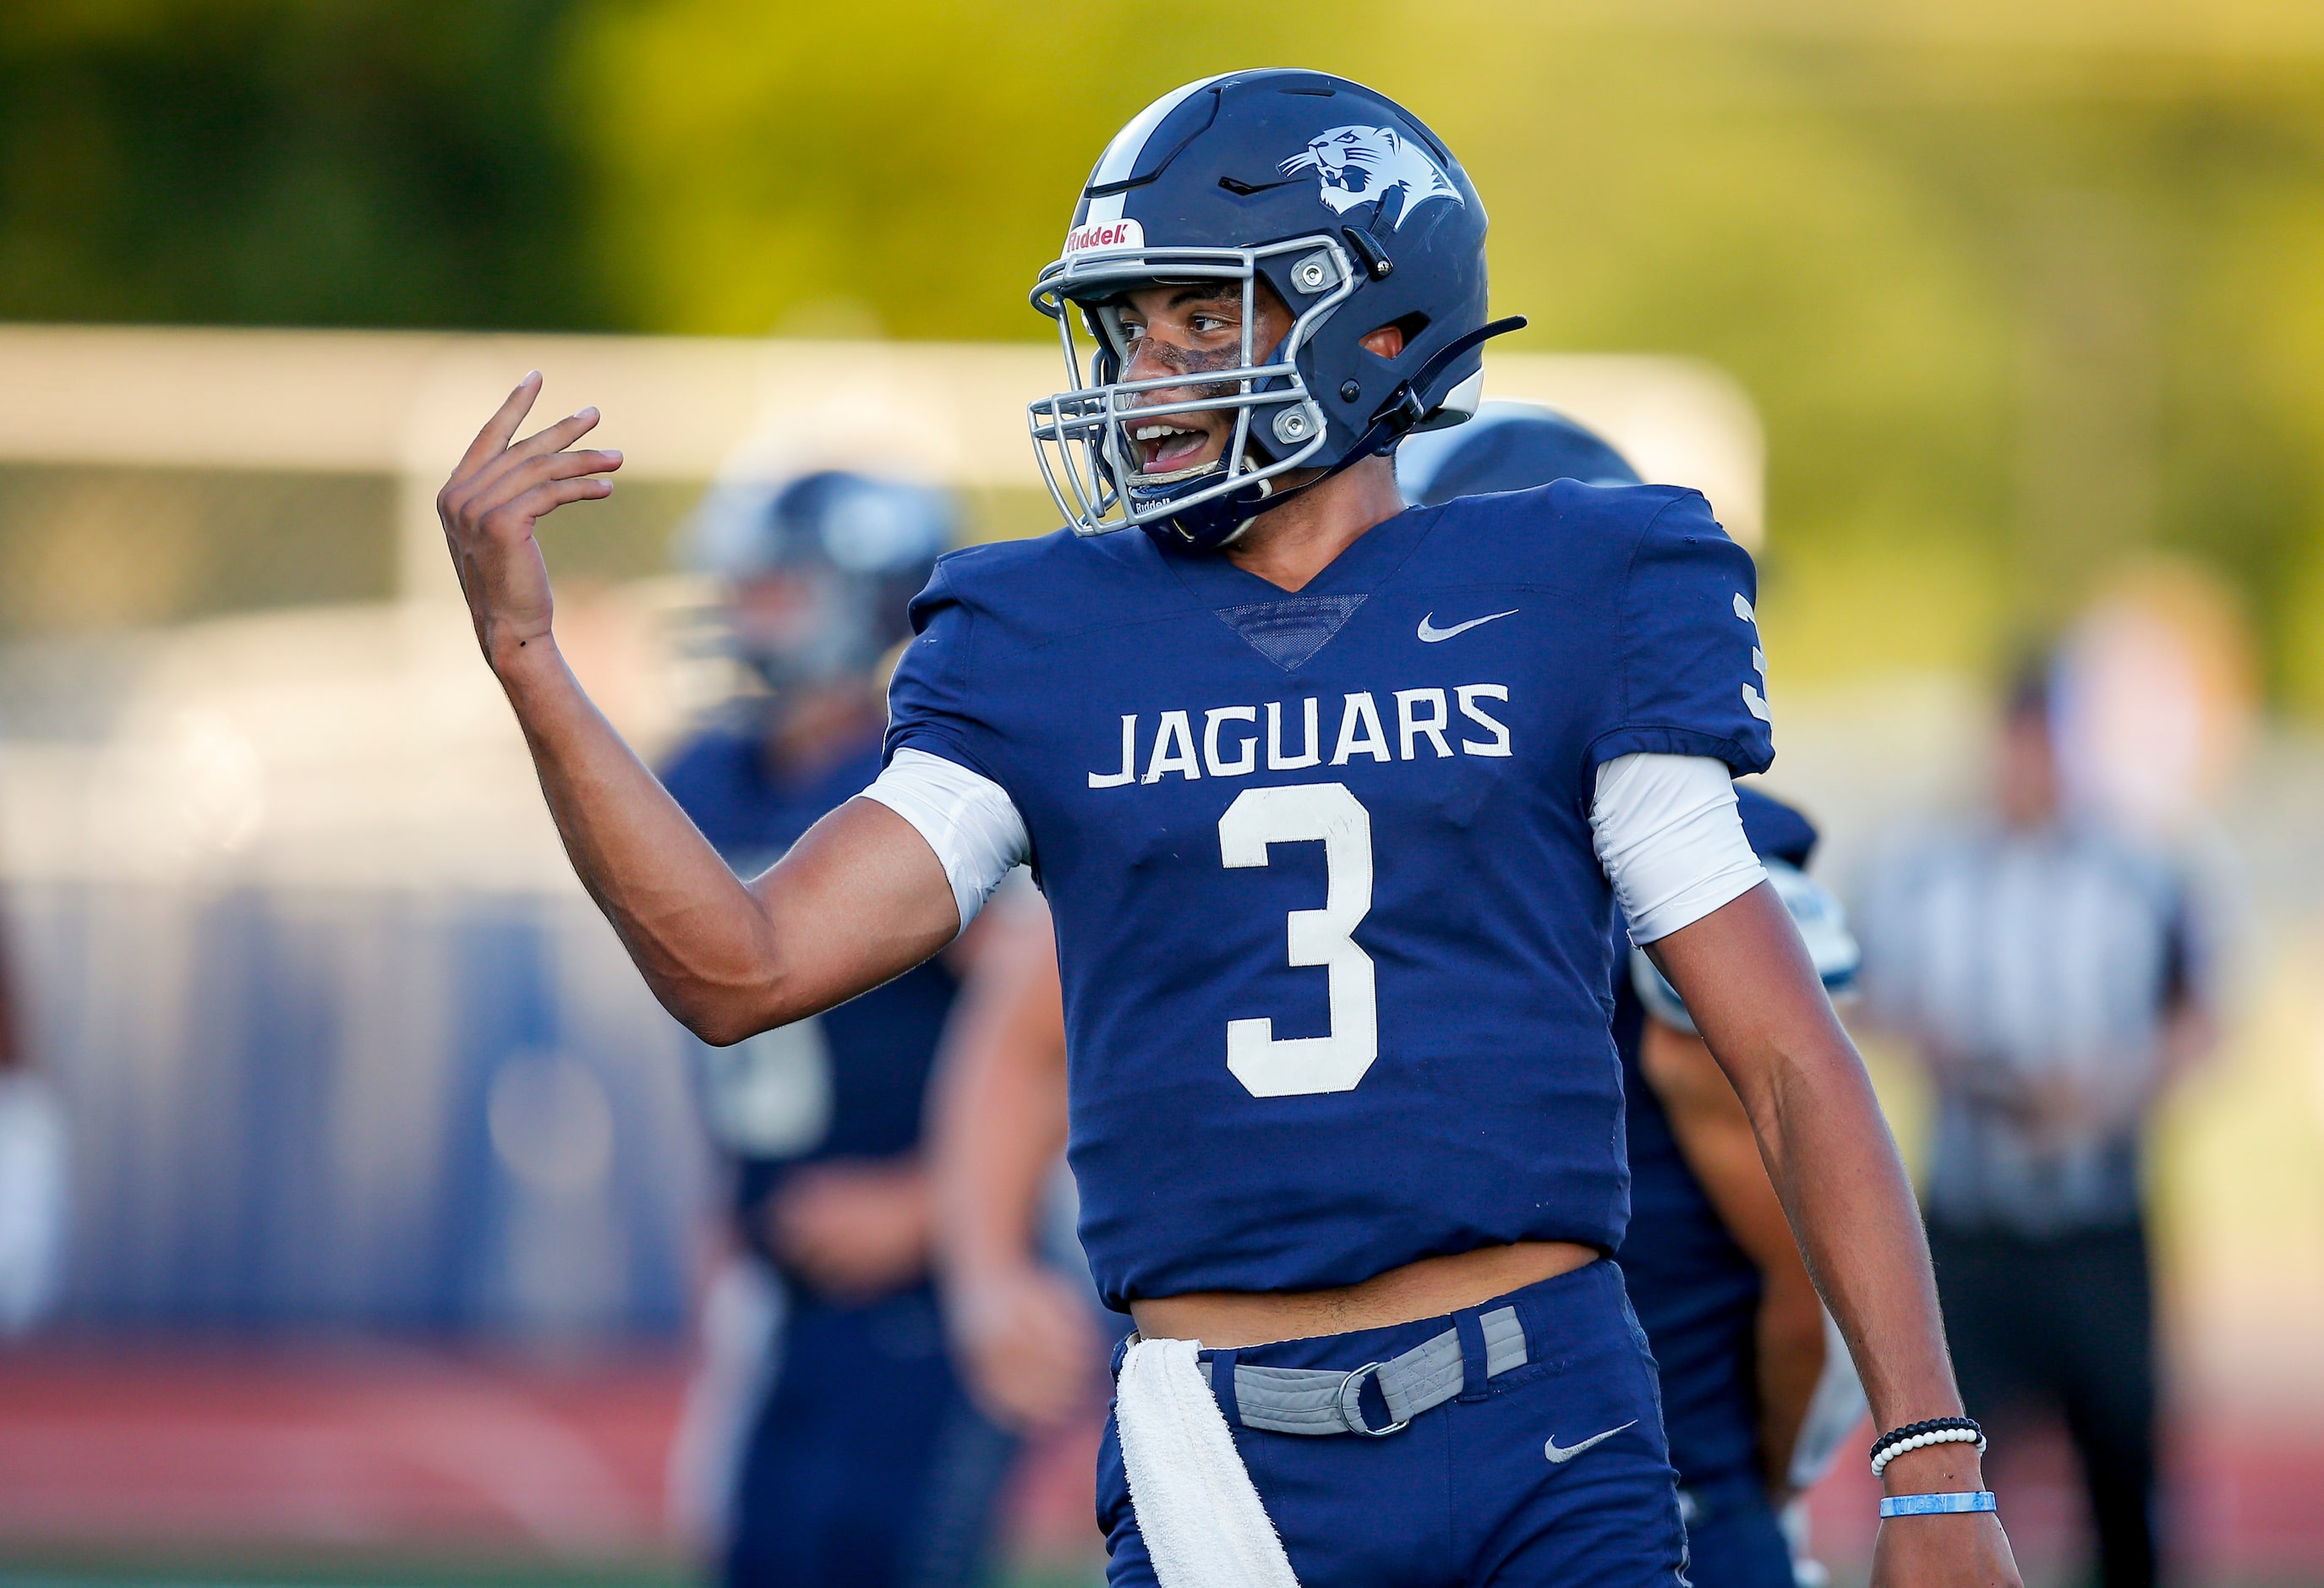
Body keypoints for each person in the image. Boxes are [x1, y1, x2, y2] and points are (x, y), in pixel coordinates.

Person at [435, 68, 2017, 1587]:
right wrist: (530, 663)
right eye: (1128, 330)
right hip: (1223, 1435)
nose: (1144, 373)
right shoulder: (1042, 634)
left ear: (1378, 317)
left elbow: (1785, 1054)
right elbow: (740, 961)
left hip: (1550, 1398)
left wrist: (1928, 1451)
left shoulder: (1568, 588)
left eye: (1204, 316)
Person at [1403, 407, 1869, 1585]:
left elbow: (1804, 1260)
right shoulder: (1407, 819)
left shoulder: (1686, 852)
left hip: (1642, 1485)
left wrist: (1739, 1492)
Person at [655, 470, 1014, 1588]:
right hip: (784, 1270)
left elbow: (1046, 1008)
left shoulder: (923, 782)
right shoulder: (706, 775)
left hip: (922, 1282)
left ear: (861, 600)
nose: (747, 606)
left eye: (777, 584)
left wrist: (932, 1201)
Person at [1854, 665, 2222, 1588]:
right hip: (1973, 1230)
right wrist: (1941, 1046)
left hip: (2097, 1221)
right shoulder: (1921, 872)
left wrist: (2112, 1087)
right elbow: (1852, 997)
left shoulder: (2141, 871)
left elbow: (2198, 1014)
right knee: (1949, 1467)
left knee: (2123, 1468)